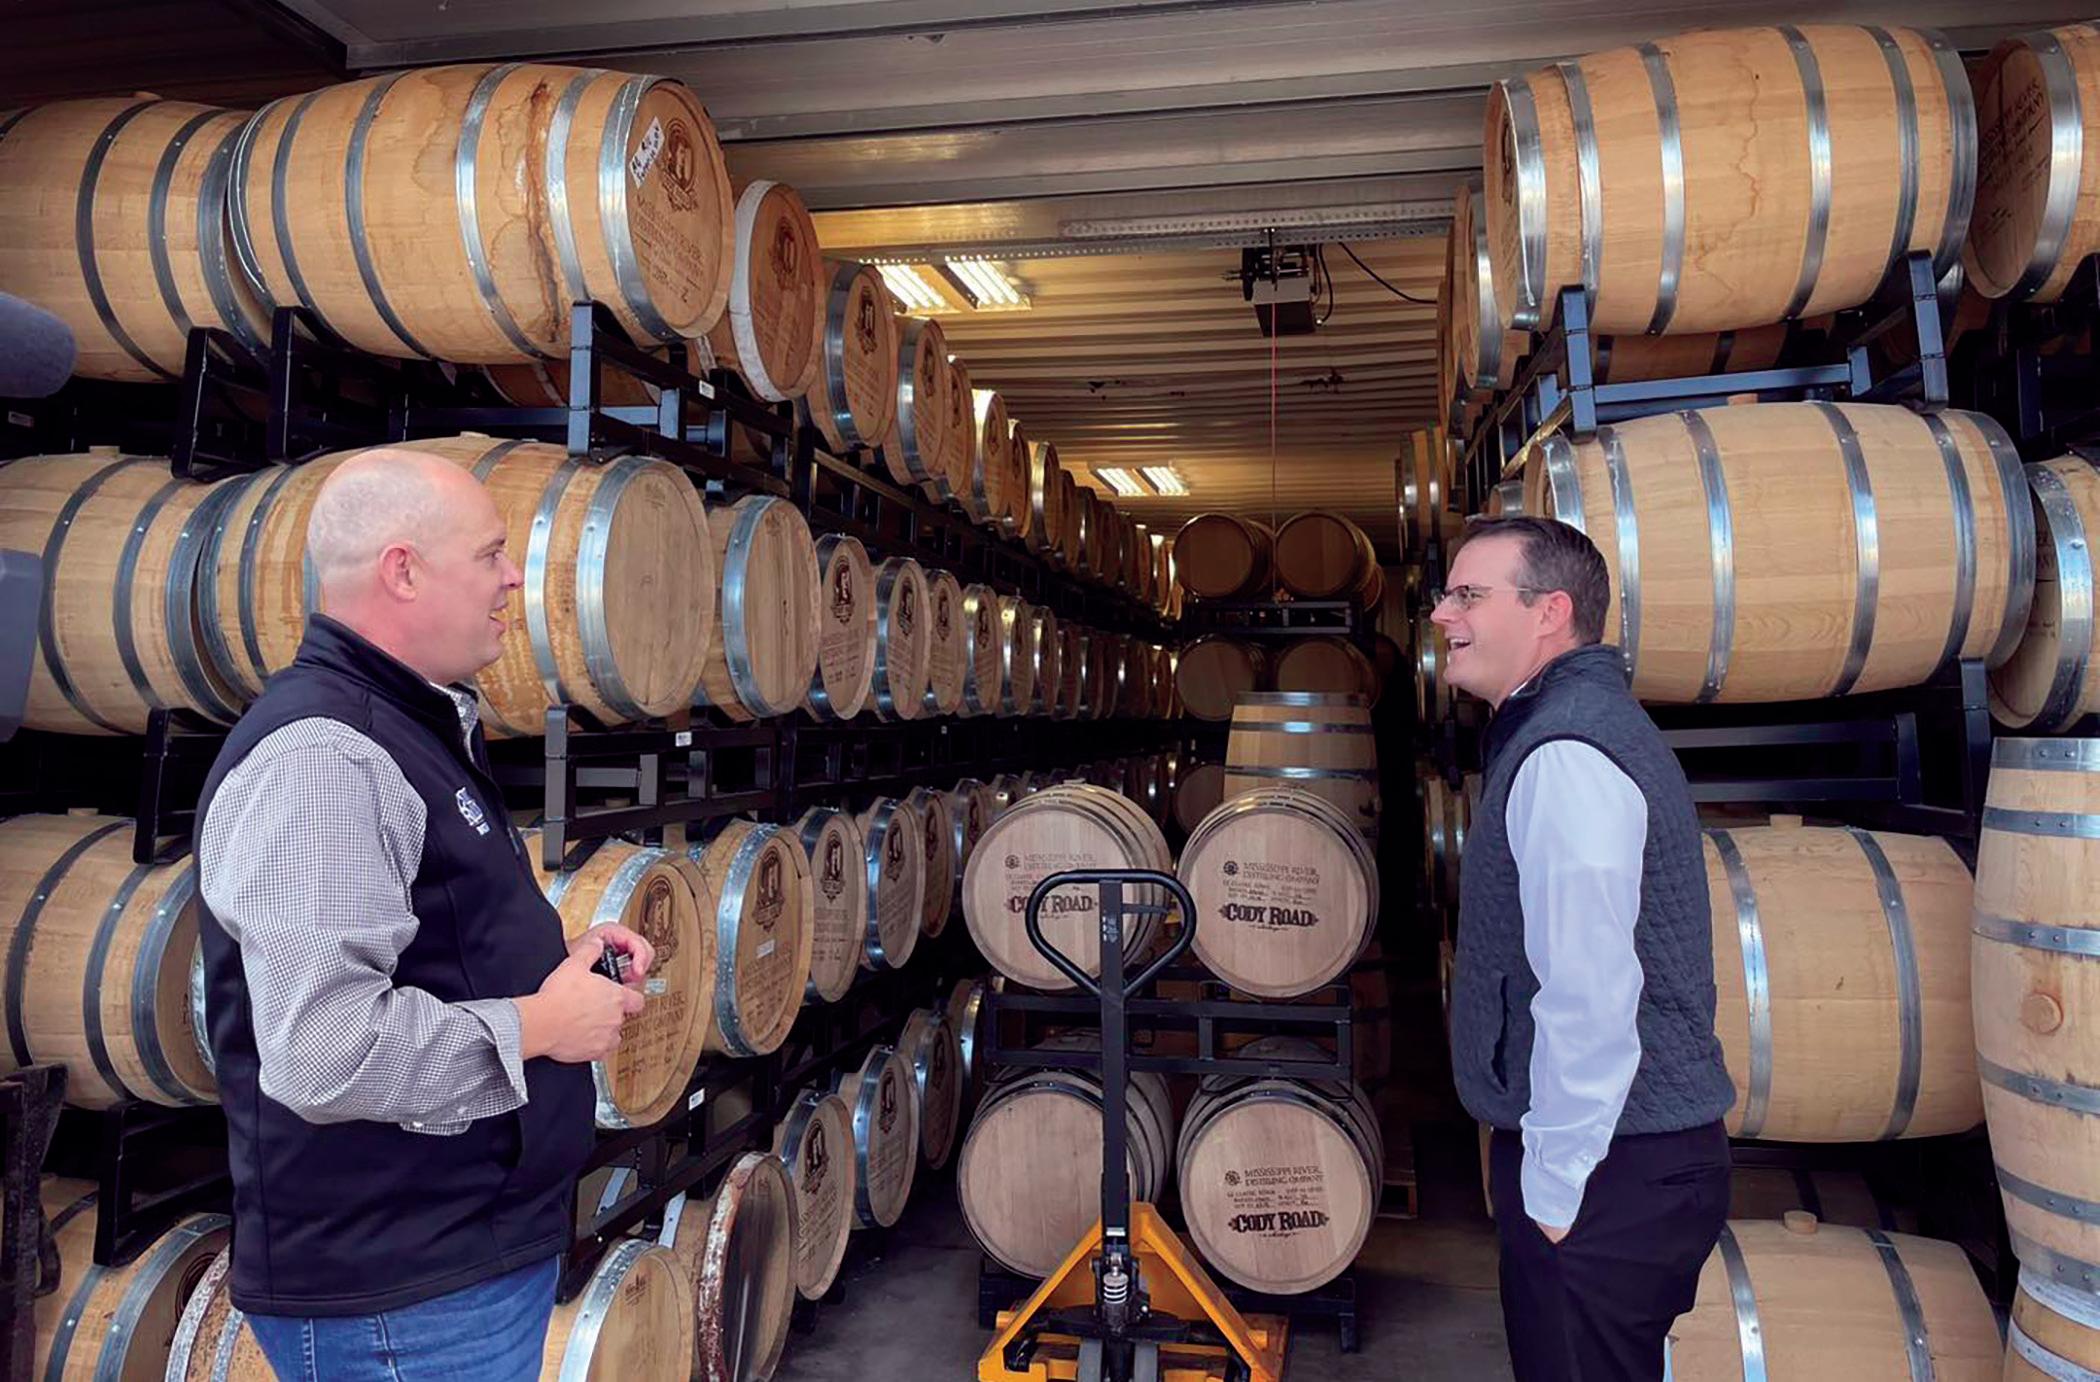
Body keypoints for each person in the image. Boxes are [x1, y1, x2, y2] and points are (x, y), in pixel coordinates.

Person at [194, 449, 657, 1381]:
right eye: (489, 554)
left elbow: (423, 947)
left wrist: (552, 962)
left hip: (450, 1262)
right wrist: (540, 1024)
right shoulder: (327, 759)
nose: (513, 577)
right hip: (400, 1295)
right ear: (403, 571)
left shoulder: (407, 724)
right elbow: (323, 1051)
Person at [1436, 516, 1735, 1381]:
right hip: (1624, 1161)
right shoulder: (1567, 726)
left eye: (1469, 595)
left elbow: (1589, 989)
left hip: (1609, 1171)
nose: (1444, 615)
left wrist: (1557, 1191)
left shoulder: (1566, 752)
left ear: (1550, 612)